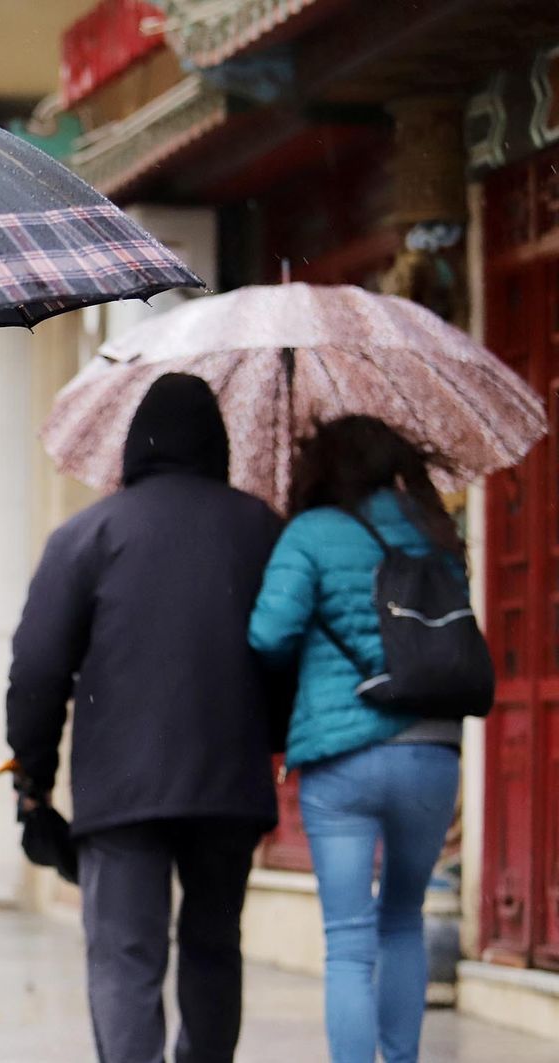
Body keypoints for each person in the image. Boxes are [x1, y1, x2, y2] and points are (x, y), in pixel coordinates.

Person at [5, 373, 282, 1063]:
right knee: (216, 945)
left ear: (135, 445)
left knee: (126, 957)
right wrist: (270, 736)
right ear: (219, 443)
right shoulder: (263, 529)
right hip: (229, 781)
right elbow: (290, 649)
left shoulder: (86, 534)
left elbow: (37, 668)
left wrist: (31, 775)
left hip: (120, 788)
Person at [248, 416, 464, 1063]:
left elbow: (267, 635)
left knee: (347, 938)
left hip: (343, 756)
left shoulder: (311, 532)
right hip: (430, 748)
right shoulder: (437, 534)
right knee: (404, 918)